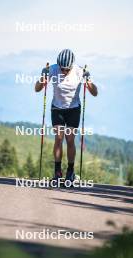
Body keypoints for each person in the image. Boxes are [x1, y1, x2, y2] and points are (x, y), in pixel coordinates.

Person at [35, 49, 98, 182]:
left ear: (71, 66)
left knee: (70, 139)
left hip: (73, 110)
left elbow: (95, 92)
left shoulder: (79, 71)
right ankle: (57, 172)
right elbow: (37, 88)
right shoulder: (52, 69)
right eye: (62, 69)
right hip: (57, 108)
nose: (63, 71)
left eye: (66, 69)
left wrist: (88, 80)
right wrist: (42, 77)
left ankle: (70, 171)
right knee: (58, 137)